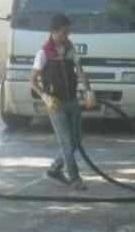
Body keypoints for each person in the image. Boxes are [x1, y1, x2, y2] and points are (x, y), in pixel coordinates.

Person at [28, 13, 94, 191]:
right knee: (66, 142)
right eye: (64, 32)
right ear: (54, 31)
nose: (67, 35)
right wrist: (44, 96)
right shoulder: (44, 52)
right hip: (55, 104)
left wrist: (88, 91)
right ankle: (75, 178)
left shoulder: (69, 48)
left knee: (75, 141)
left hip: (72, 100)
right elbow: (32, 80)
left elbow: (79, 70)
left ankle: (55, 168)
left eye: (68, 32)